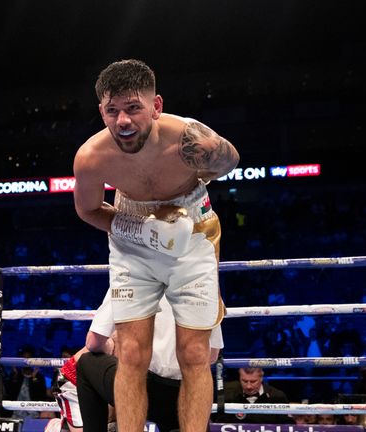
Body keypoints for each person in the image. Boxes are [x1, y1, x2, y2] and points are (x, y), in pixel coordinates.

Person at [72, 59, 239, 432]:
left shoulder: (189, 140)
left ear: (156, 106)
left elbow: (230, 160)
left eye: (133, 108)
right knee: (130, 353)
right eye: (112, 111)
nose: (123, 121)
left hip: (193, 236)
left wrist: (194, 194)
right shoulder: (91, 157)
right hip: (133, 243)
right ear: (102, 111)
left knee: (195, 354)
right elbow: (86, 209)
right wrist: (138, 227)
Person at [71, 293, 223, 432]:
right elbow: (213, 355)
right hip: (188, 394)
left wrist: (111, 344)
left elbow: (93, 342)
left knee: (86, 363)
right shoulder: (206, 283)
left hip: (140, 390)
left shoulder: (132, 273)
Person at [212, 367, 291, 425]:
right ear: (239, 377)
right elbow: (216, 422)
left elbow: (286, 425)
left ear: (261, 378)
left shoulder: (277, 396)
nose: (248, 386)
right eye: (244, 381)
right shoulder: (227, 393)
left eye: (253, 381)